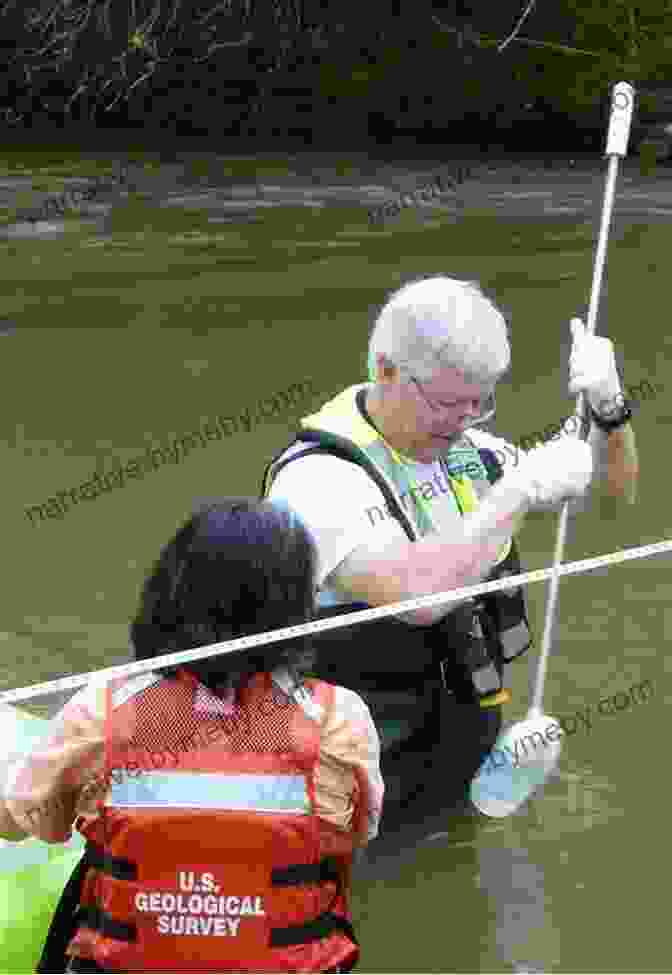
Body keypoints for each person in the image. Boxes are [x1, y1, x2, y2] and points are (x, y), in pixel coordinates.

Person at [261, 274, 639, 823]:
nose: (462, 423)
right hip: (348, 788)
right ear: (385, 370)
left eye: (477, 405)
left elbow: (611, 497)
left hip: (456, 754)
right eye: (446, 404)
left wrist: (609, 410)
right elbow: (418, 596)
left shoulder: (470, 453)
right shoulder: (317, 482)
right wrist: (514, 494)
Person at [0, 498, 383, 974]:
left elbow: (20, 821)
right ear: (297, 610)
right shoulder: (339, 717)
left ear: (168, 593)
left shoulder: (102, 707)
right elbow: (359, 832)